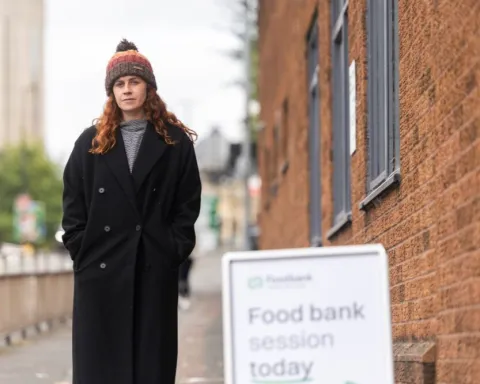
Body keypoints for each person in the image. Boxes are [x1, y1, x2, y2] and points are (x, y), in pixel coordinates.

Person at [61, 39, 201, 384]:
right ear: (111, 92)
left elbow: (187, 205)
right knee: (101, 371)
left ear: (148, 88)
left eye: (134, 82)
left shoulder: (175, 142)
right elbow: (73, 205)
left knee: (150, 368)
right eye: (119, 84)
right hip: (101, 272)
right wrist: (82, 250)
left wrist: (173, 249)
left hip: (153, 268)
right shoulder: (90, 143)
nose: (127, 90)